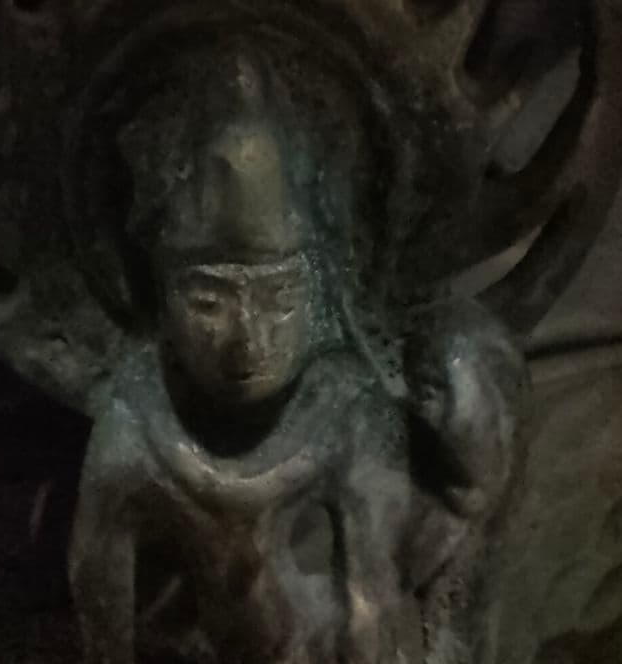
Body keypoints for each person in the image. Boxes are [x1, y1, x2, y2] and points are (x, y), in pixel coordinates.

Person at [69, 42, 526, 664]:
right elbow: (100, 610)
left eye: (281, 298)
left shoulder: (346, 411)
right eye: (208, 302)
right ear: (159, 297)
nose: (247, 340)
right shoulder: (132, 430)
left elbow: (370, 604)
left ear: (322, 291)